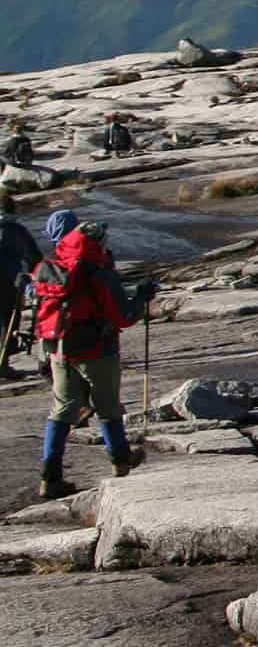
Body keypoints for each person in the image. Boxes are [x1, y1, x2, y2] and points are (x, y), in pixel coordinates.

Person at [30, 209, 156, 498]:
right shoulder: (98, 271)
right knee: (107, 407)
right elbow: (123, 316)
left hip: (58, 349)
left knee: (61, 410)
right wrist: (141, 297)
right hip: (97, 350)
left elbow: (35, 298)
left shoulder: (52, 265)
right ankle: (121, 463)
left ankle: (50, 478)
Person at [0, 196, 38, 377]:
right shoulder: (16, 231)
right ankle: (3, 363)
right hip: (9, 284)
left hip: (9, 282)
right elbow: (35, 257)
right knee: (8, 323)